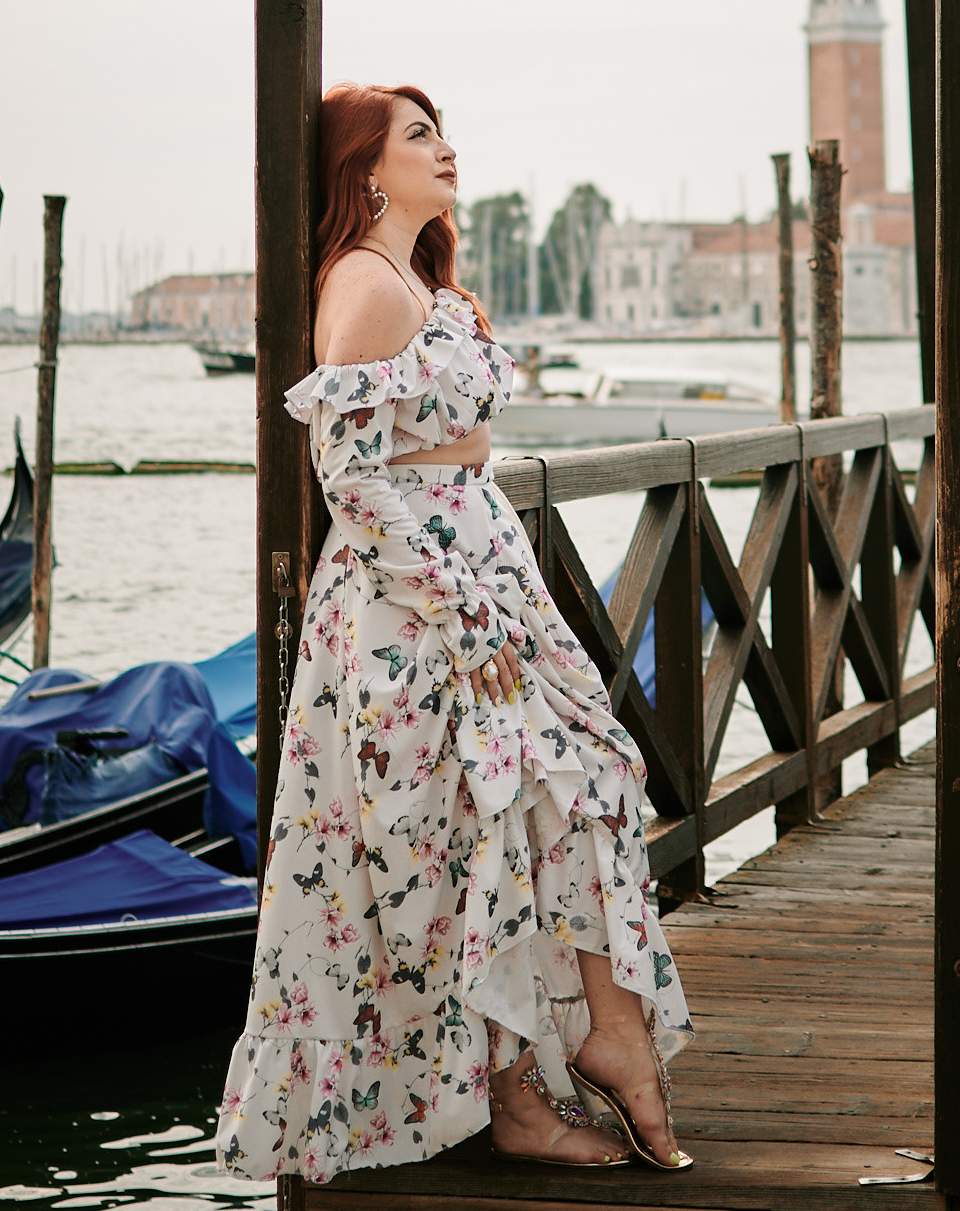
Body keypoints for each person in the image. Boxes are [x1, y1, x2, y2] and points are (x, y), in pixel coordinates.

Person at [217, 83, 692, 1184]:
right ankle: (547, 1080)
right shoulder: (364, 288)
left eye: (442, 131)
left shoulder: (415, 279)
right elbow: (349, 473)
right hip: (415, 604)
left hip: (475, 574)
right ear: (367, 170)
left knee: (552, 798)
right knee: (465, 835)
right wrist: (451, 603)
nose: (447, 148)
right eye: (419, 135)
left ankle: (574, 1055)